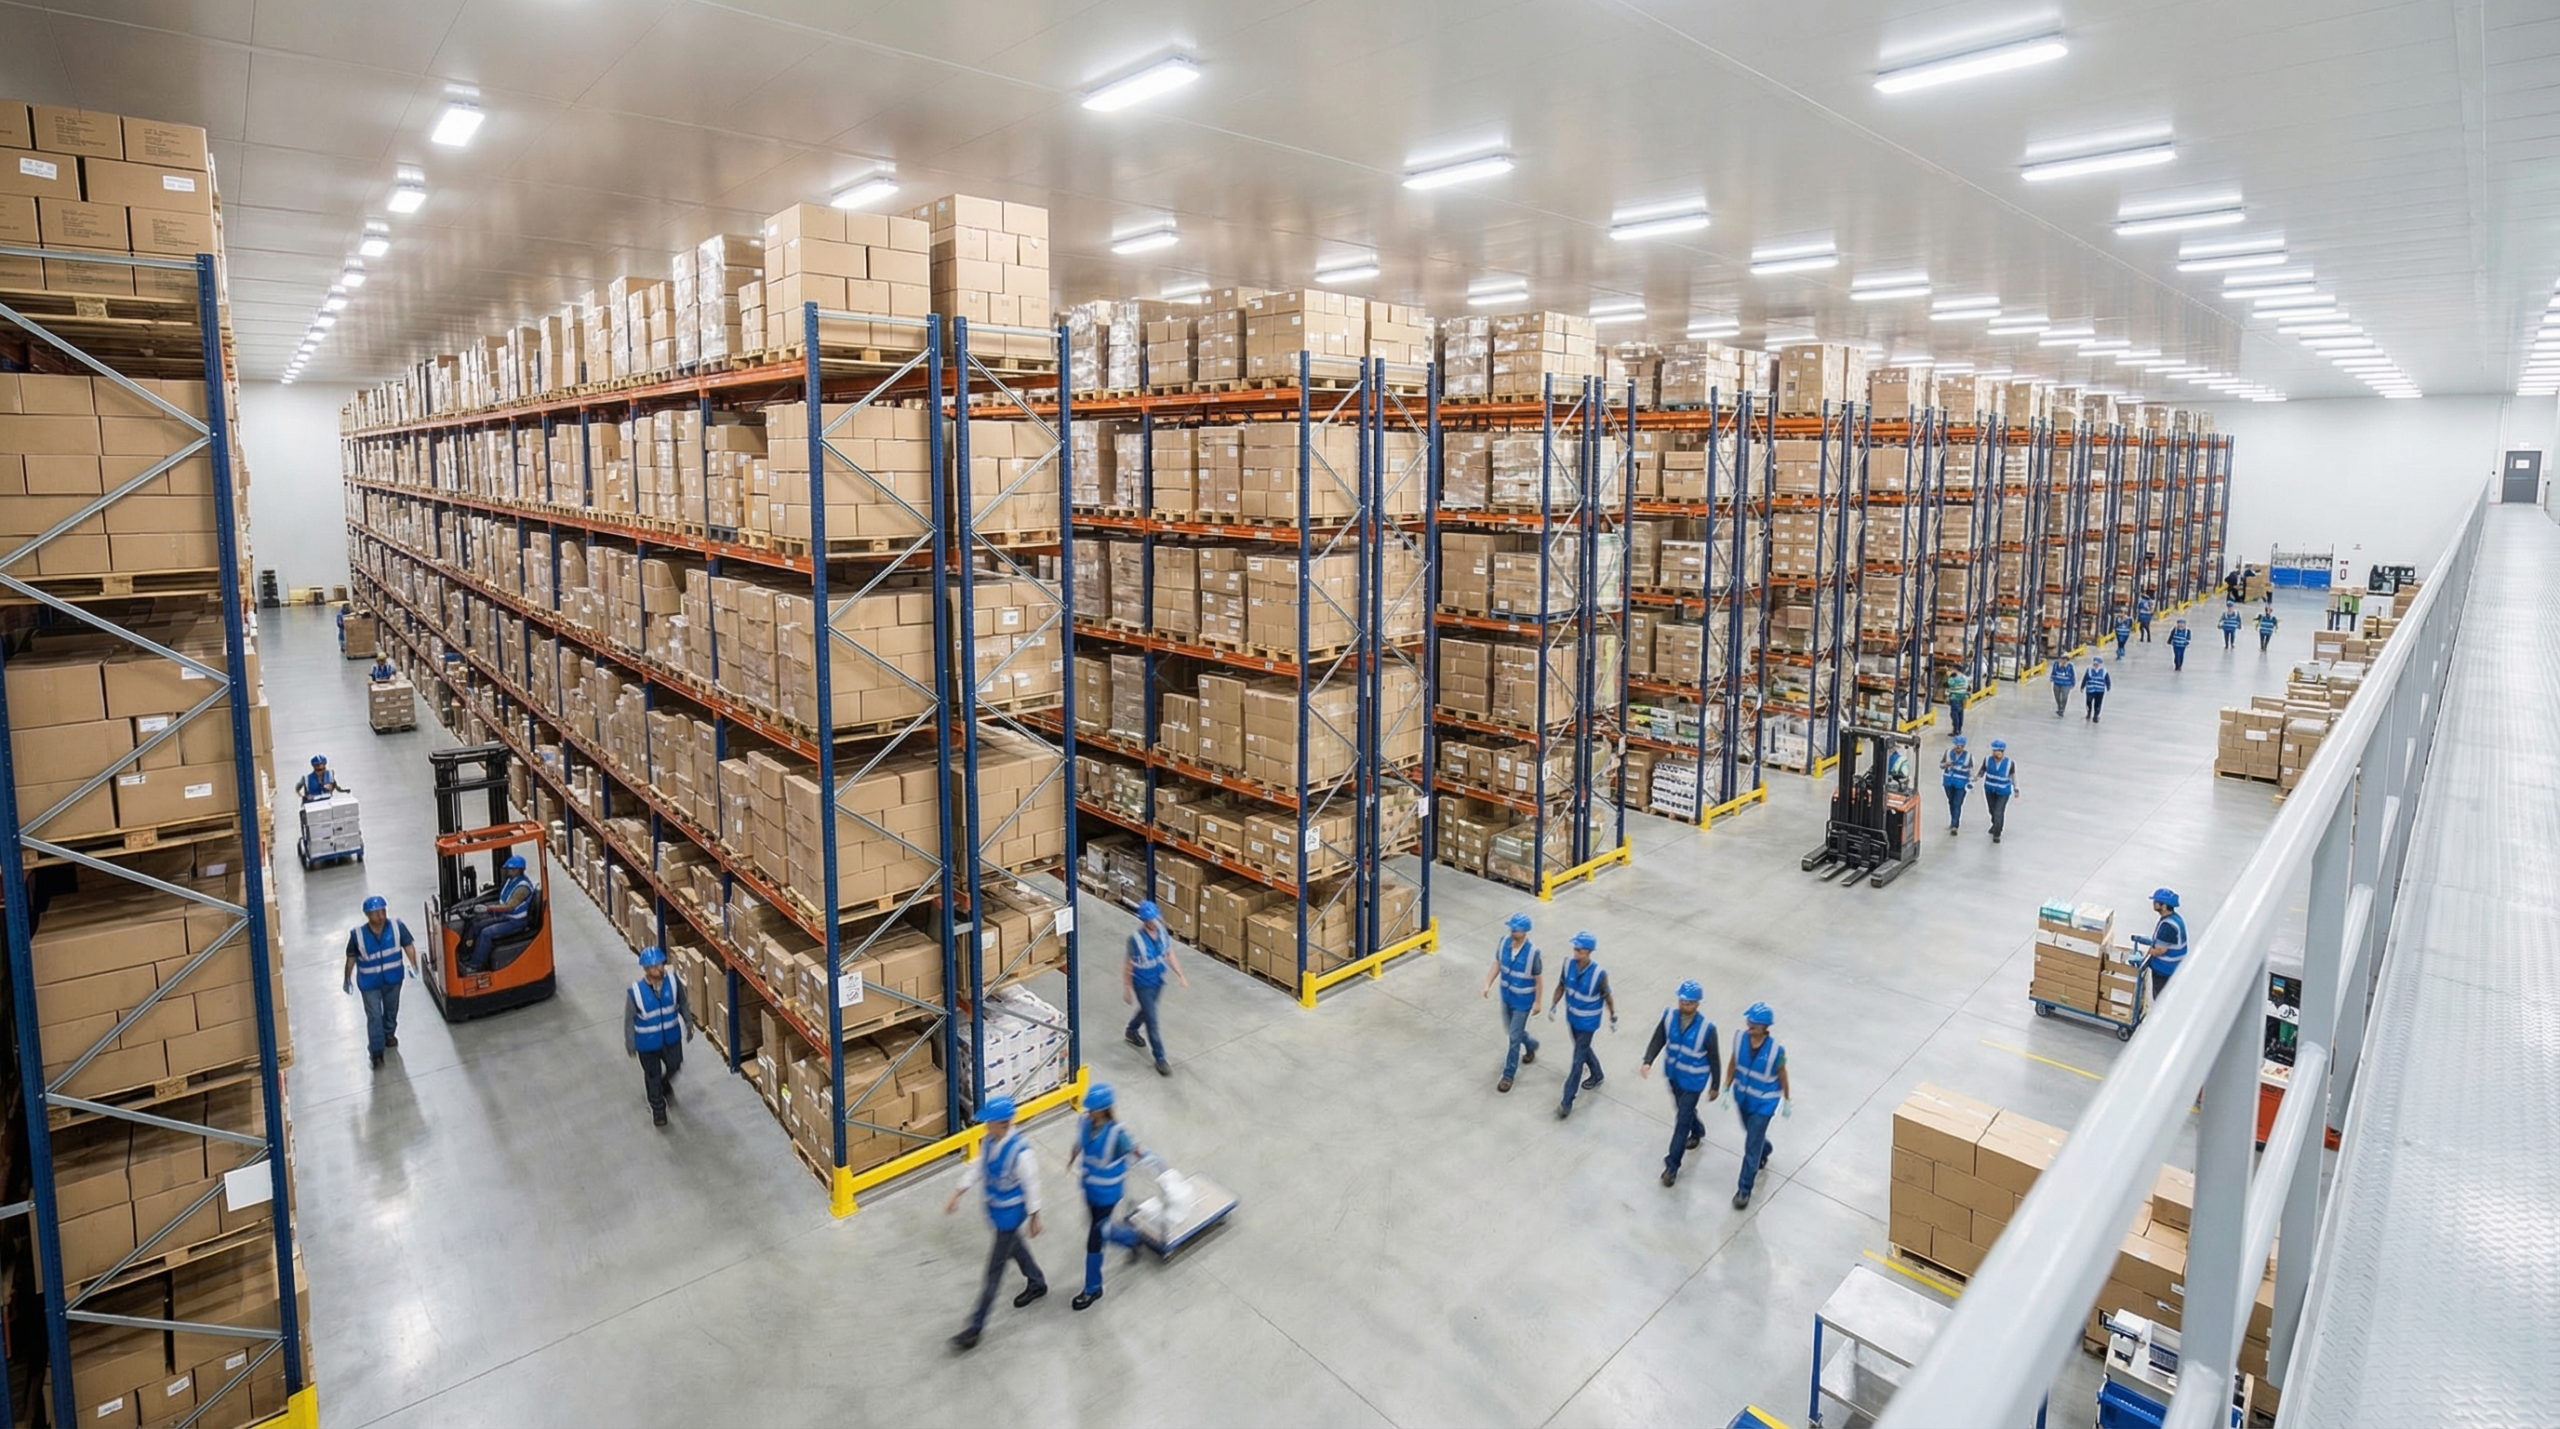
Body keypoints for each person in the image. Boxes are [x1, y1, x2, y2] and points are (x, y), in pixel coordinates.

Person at [945, 1096, 1046, 1350]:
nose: (984, 1125)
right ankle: (1037, 1281)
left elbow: (1032, 1184)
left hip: (1011, 1216)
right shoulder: (990, 1142)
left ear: (1002, 1123)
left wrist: (1034, 1216)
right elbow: (979, 1168)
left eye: (988, 1122)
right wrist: (958, 1192)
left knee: (993, 1272)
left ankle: (975, 1327)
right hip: (996, 1212)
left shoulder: (1021, 1153)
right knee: (1015, 1247)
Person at [1065, 1083, 1145, 1311]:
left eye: (1093, 1109)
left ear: (1103, 1110)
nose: (1089, 1112)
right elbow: (1079, 1143)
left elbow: (1135, 1150)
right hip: (1090, 1188)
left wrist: (1139, 1152)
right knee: (1101, 1229)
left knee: (1096, 1237)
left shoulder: (1117, 1134)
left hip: (1108, 1194)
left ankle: (1093, 1288)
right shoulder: (1084, 1122)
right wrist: (1071, 1159)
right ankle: (1131, 1238)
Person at [1640, 981, 1720, 1188]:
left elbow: (1714, 1058)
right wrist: (1648, 1060)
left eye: (1689, 1002)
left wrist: (1715, 1085)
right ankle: (1698, 1130)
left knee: (1682, 1121)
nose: (1684, 1005)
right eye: (1682, 1001)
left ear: (1697, 1003)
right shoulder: (1669, 1017)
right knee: (1683, 1110)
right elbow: (1658, 1038)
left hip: (1694, 1082)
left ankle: (1672, 1166)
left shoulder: (1707, 1029)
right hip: (1674, 1076)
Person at [1724, 1003, 1792, 1210]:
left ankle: (1744, 1190)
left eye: (1755, 1023)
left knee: (1751, 1147)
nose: (1750, 1025)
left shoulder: (1776, 1050)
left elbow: (1782, 1074)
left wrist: (1787, 1099)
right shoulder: (1739, 1039)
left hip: (1764, 1103)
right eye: (1749, 1021)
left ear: (1765, 1026)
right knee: (1753, 1135)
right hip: (1743, 1099)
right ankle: (1766, 1148)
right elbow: (1733, 1063)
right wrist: (1726, 1086)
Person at [1546, 931, 1617, 1120]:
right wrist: (1553, 1004)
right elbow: (1561, 986)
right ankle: (1597, 1074)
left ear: (1588, 952)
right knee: (1582, 1049)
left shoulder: (1599, 974)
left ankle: (1567, 1101)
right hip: (1573, 1019)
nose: (1575, 952)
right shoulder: (1567, 965)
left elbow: (1607, 996)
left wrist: (1613, 1015)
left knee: (1577, 1061)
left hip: (1588, 1023)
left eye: (1579, 949)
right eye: (1574, 948)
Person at [622, 945, 694, 1127]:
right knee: (652, 1076)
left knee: (675, 1065)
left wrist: (688, 1023)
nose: (659, 969)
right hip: (647, 1044)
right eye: (654, 967)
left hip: (671, 1038)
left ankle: (664, 1083)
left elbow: (682, 1003)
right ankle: (658, 1109)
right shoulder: (636, 992)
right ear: (646, 969)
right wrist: (630, 1043)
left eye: (661, 964)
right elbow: (629, 1020)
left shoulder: (673, 982)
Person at [341, 895, 414, 1070]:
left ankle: (389, 1034)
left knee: (391, 1009)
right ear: (367, 915)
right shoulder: (357, 935)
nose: (381, 916)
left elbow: (408, 945)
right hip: (369, 983)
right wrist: (347, 978)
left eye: (383, 911)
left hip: (393, 979)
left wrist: (414, 966)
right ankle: (376, 1052)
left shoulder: (397, 926)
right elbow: (351, 958)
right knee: (374, 1016)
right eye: (376, 913)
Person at [1122, 901, 1188, 1077]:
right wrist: (1127, 988)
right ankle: (1160, 1058)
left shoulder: (1162, 932)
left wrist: (1180, 974)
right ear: (1144, 920)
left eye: (1154, 917)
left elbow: (1169, 954)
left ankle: (1131, 1030)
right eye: (1150, 919)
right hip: (1142, 984)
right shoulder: (1135, 940)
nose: (1154, 921)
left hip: (1158, 981)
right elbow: (1128, 965)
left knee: (1146, 1011)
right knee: (1152, 1020)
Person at [1480, 912, 1543, 1093]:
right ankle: (1531, 1044)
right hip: (1507, 996)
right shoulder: (1503, 943)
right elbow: (1497, 964)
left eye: (1516, 929)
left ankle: (1508, 1075)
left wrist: (1538, 1002)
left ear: (1524, 931)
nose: (1512, 932)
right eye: (1512, 928)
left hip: (1523, 1002)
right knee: (1512, 1030)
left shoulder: (1533, 953)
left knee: (1514, 1038)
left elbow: (1539, 979)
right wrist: (1488, 983)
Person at [465, 853, 536, 974]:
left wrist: (488, 909)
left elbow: (509, 906)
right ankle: (472, 953)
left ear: (519, 870)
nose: (509, 871)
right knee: (476, 925)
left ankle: (475, 965)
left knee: (486, 933)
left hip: (516, 921)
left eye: (512, 869)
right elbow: (501, 898)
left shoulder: (522, 888)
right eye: (508, 868)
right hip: (506, 916)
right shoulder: (511, 881)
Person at [2139, 889, 2190, 1000]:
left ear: (2164, 906)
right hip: (2174, 967)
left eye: (2156, 902)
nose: (2153, 904)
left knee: (2160, 999)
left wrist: (2144, 951)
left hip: (2164, 970)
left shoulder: (2168, 926)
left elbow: (2160, 951)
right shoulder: (2175, 918)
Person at [1980, 738, 2017, 843]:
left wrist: (2016, 789)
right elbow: (1982, 771)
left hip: (2003, 791)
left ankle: (1997, 833)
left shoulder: (2010, 763)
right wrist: (1974, 779)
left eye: (1999, 751)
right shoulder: (1987, 760)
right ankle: (1995, 824)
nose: (1997, 753)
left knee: (1998, 811)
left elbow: (2013, 776)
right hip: (1990, 789)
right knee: (1992, 809)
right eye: (1995, 751)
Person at [1939, 734, 1974, 835]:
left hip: (1961, 784)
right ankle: (1953, 821)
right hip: (1948, 782)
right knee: (1951, 802)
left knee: (1957, 803)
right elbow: (1941, 765)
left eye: (1961, 746)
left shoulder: (1968, 756)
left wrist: (1971, 781)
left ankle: (1955, 825)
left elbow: (1971, 770)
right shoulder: (1948, 753)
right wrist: (1946, 764)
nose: (1959, 747)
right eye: (1957, 745)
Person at [1944, 664, 1971, 737]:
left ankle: (1955, 731)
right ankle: (1959, 729)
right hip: (1962, 698)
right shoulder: (1965, 677)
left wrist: (1949, 677)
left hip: (1955, 697)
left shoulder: (1955, 678)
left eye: (1952, 669)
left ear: (1956, 670)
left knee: (1954, 714)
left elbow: (1949, 684)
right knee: (1960, 714)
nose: (1951, 671)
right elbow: (1967, 687)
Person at [2082, 655, 2111, 723]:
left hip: (2100, 690)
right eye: (2094, 663)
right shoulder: (2089, 670)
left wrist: (2108, 686)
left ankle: (2096, 716)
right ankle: (2089, 713)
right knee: (2088, 702)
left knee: (2098, 704)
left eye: (2097, 664)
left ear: (2100, 664)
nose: (2095, 665)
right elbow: (2085, 678)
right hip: (2090, 690)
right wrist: (2082, 687)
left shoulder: (2104, 671)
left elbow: (2107, 679)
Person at [2049, 652, 2076, 718]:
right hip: (2057, 682)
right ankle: (2059, 707)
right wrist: (2052, 678)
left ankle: (2062, 709)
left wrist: (2073, 683)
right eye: (2063, 659)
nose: (2064, 661)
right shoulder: (2056, 664)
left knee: (2064, 697)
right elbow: (2053, 672)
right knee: (2057, 696)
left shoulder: (2070, 666)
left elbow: (2072, 675)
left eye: (2066, 659)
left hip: (2066, 683)